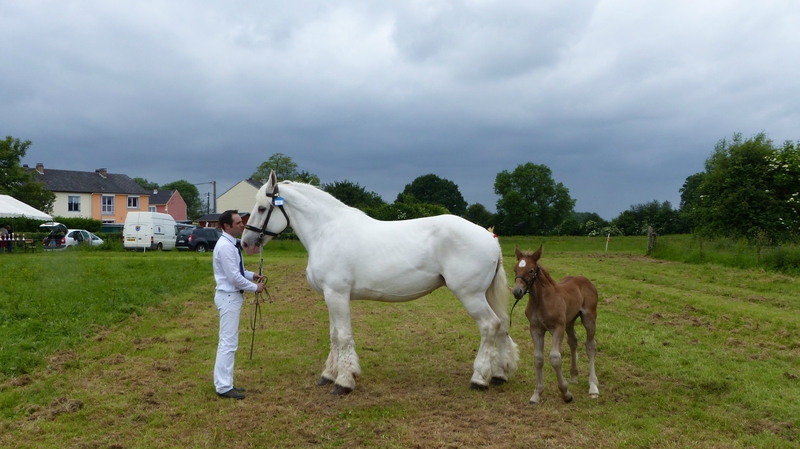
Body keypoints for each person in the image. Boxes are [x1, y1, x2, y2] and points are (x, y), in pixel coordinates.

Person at [212, 210, 265, 400]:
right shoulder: (225, 247)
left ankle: (226, 382)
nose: (242, 225)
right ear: (227, 226)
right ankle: (224, 386)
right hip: (228, 296)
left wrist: (252, 275)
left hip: (231, 296)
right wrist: (255, 287)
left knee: (229, 342)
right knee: (228, 343)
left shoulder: (229, 244)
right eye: (237, 223)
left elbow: (237, 270)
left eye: (241, 222)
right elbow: (233, 277)